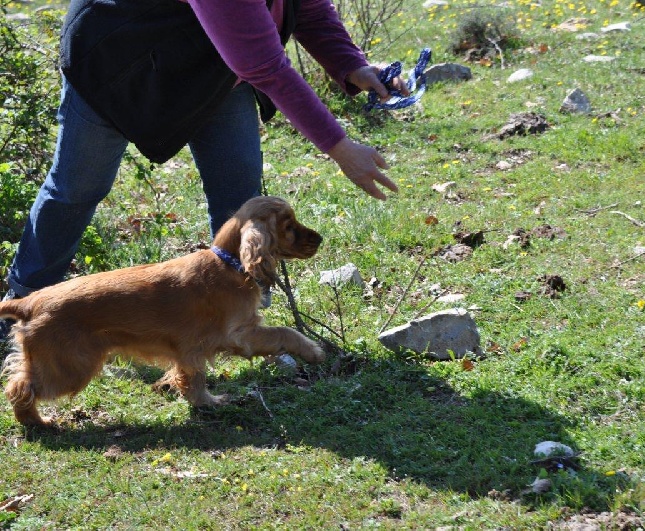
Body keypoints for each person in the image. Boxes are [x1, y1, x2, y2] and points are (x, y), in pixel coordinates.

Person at [0, 0, 408, 344]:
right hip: (120, 64)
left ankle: (240, 321)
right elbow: (265, 65)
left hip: (215, 68)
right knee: (77, 188)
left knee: (240, 197)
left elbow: (309, 8)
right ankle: (22, 311)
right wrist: (340, 147)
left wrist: (352, 65)